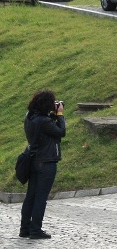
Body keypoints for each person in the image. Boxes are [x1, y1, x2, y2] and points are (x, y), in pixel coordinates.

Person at [20, 90, 65, 240]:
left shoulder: (30, 117)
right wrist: (60, 115)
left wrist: (52, 115)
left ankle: (24, 228)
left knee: (31, 196)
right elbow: (61, 132)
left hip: (34, 160)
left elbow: (45, 126)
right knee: (41, 197)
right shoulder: (44, 121)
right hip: (46, 163)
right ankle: (36, 230)